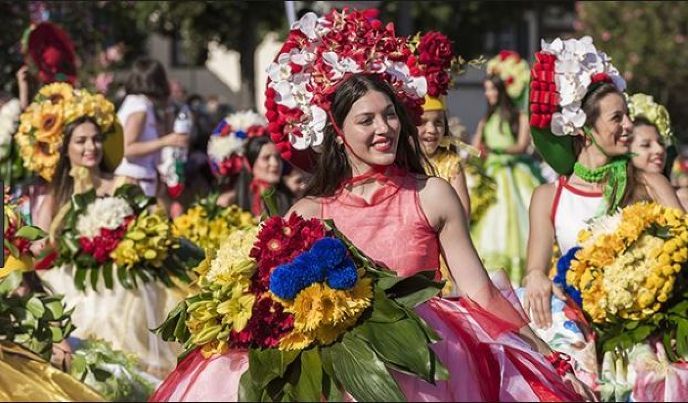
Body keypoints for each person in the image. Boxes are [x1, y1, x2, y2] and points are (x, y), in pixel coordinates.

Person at [151, 10, 591, 401]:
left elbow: (480, 292)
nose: (385, 128)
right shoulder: (308, 213)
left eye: (390, 114)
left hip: (427, 365)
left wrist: (547, 357)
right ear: (338, 133)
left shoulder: (431, 194)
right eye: (366, 120)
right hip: (339, 377)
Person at [520, 37, 684, 394]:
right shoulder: (549, 196)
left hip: (647, 336)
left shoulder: (650, 183)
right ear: (583, 129)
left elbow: (683, 248)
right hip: (582, 338)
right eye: (616, 117)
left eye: (628, 115)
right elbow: (534, 269)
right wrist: (535, 278)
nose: (628, 125)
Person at [22, 85, 182, 379]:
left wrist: (129, 244)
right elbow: (41, 246)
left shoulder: (124, 184)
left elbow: (154, 227)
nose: (91, 147)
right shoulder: (56, 196)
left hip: (124, 275)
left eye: (96, 139)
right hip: (73, 277)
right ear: (65, 148)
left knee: (119, 307)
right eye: (81, 141)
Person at [471, 52, 544, 286]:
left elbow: (522, 145)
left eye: (492, 89)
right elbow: (475, 145)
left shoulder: (518, 116)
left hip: (514, 172)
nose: (488, 94)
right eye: (486, 90)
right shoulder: (486, 119)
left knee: (518, 216)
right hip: (491, 174)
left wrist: (497, 150)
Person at [114, 58, 188, 197]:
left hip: (141, 180)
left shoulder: (140, 104)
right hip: (133, 181)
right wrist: (165, 141)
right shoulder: (139, 107)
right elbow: (127, 148)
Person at [234, 135, 293, 216]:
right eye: (266, 158)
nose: (275, 163)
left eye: (278, 157)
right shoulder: (232, 203)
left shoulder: (292, 201)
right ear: (250, 164)